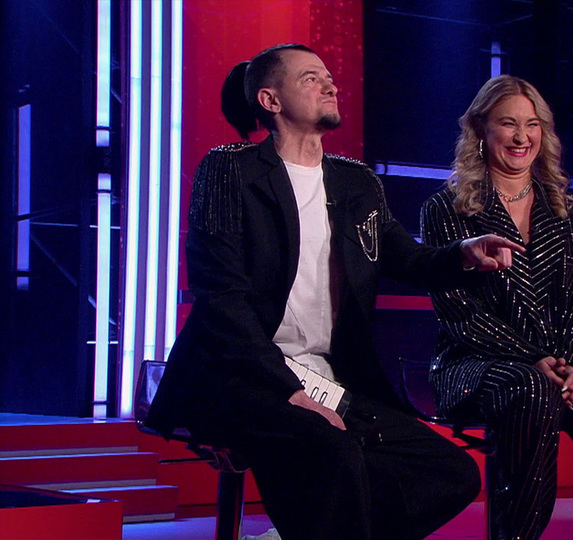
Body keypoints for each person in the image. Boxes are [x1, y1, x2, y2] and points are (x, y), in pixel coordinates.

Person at [145, 43, 524, 540]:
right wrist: (288, 389)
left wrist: (463, 254)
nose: (330, 85)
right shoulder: (230, 169)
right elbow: (222, 301)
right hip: (242, 372)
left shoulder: (355, 181)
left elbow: (405, 259)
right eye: (310, 78)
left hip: (328, 374)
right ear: (270, 100)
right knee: (333, 453)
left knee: (450, 472)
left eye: (328, 76)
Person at [420, 75, 573, 540]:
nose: (521, 137)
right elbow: (458, 310)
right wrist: (534, 359)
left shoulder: (571, 212)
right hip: (476, 363)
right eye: (508, 124)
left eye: (532, 125)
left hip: (568, 364)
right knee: (531, 390)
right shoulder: (446, 210)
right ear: (481, 129)